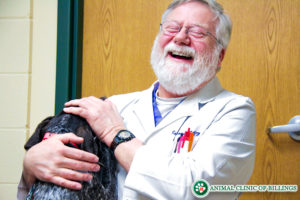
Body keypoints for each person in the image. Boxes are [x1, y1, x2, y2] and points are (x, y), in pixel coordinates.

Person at [18, 0, 256, 199]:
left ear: (219, 55)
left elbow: (195, 189)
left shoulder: (234, 110)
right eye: (172, 28)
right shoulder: (114, 105)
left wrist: (115, 132)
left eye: (197, 32)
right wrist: (31, 165)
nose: (181, 38)